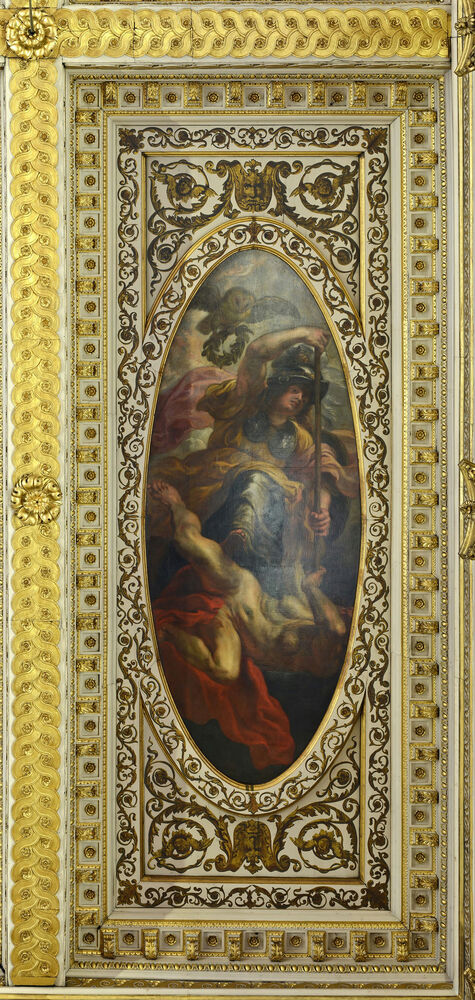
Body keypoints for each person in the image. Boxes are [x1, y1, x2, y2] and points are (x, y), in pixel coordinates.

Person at [150, 480, 351, 780]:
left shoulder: (327, 660)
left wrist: (311, 589)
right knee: (188, 540)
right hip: (244, 590)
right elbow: (330, 618)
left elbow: (334, 630)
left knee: (224, 671)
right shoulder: (315, 616)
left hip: (233, 625)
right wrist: (311, 584)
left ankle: (166, 633)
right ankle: (176, 503)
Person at [147, 325, 358, 600]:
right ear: (278, 385)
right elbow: (256, 352)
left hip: (260, 524)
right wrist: (301, 334)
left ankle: (240, 539)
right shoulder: (244, 404)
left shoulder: (300, 437)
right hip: (209, 499)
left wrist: (323, 510)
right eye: (295, 389)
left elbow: (318, 473)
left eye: (305, 395)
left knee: (259, 479)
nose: (300, 398)